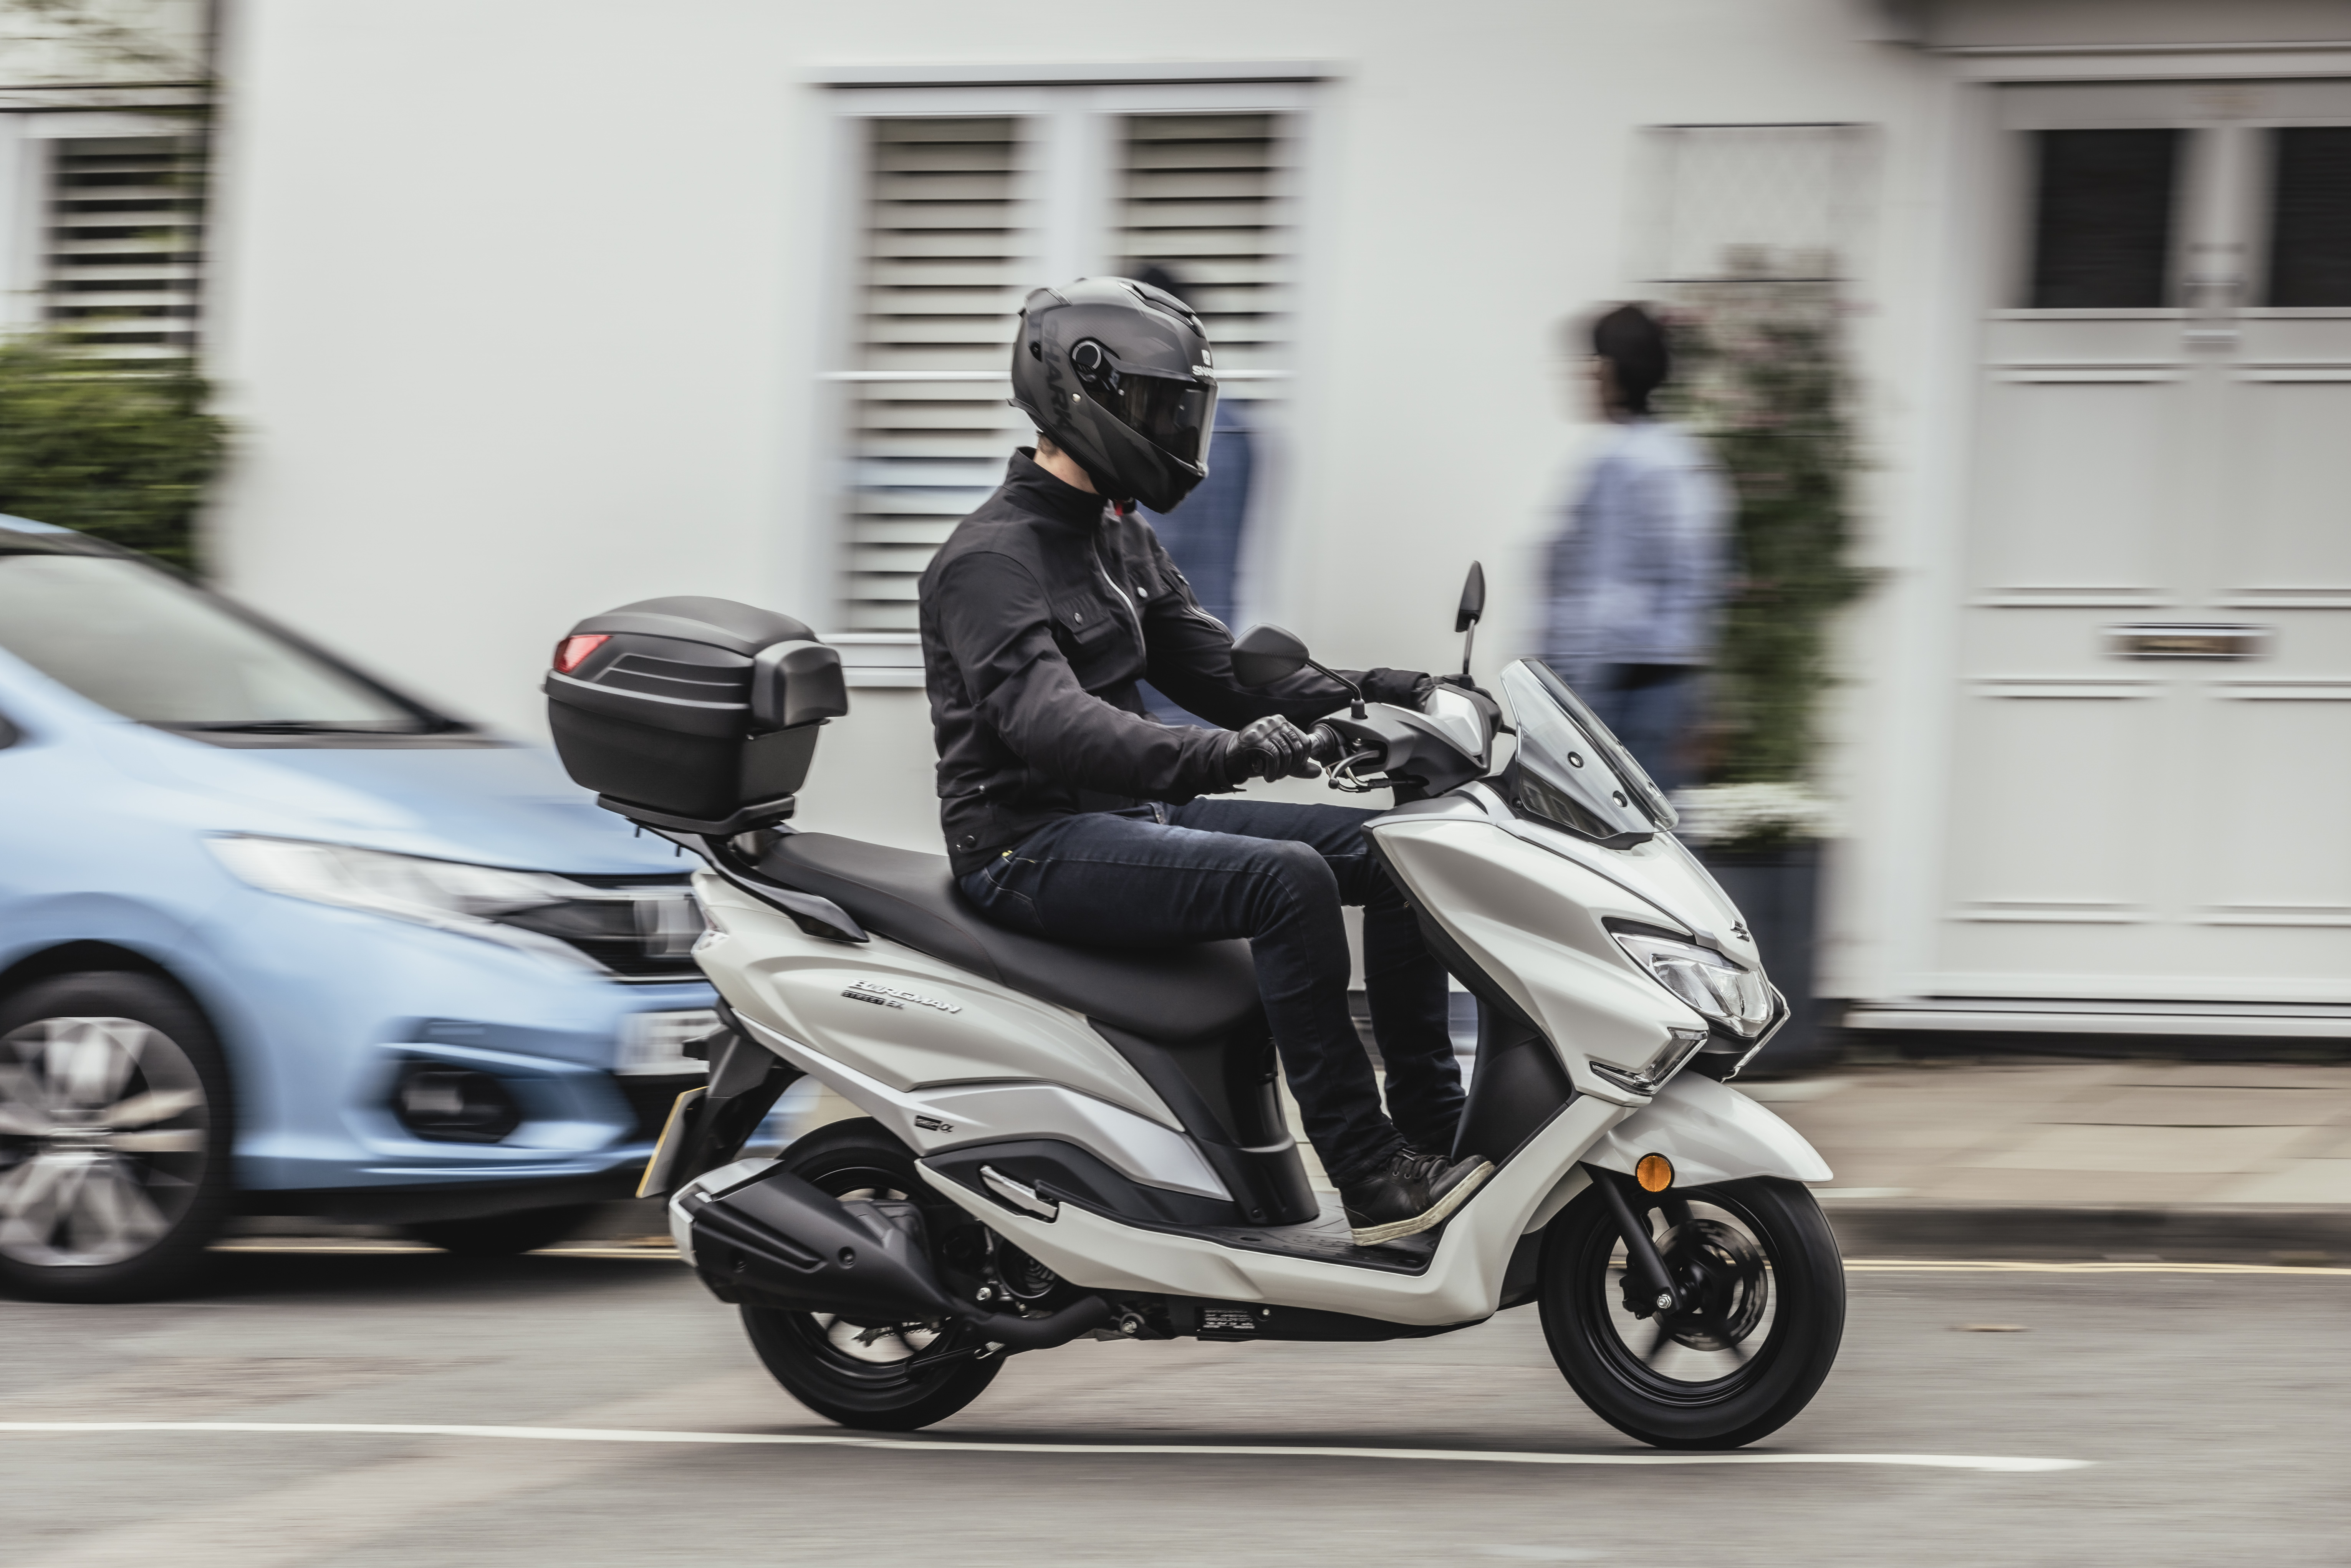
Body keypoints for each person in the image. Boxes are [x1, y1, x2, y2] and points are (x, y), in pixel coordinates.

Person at [917, 277, 1491, 1245]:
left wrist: (1396, 690)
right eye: (1156, 407)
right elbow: (1051, 725)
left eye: (1180, 409)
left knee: (1406, 858)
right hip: (1027, 845)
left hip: (1128, 818)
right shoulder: (990, 561)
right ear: (1082, 394)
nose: (1174, 430)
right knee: (1288, 882)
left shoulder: (1119, 537)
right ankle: (1369, 1172)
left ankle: (1434, 1128)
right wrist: (1223, 756)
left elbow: (1225, 673)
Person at [1541, 304, 1730, 795]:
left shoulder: (1617, 462)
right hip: (1670, 682)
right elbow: (1705, 580)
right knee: (1659, 821)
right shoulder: (1684, 456)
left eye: (1590, 363)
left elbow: (1598, 592)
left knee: (1601, 826)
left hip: (1615, 685)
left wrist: (1560, 701)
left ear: (1608, 370)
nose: (1584, 377)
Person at [1130, 264, 1253, 729]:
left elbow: (1145, 549)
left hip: (1154, 681)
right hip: (1214, 669)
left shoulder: (1170, 431)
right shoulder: (1236, 424)